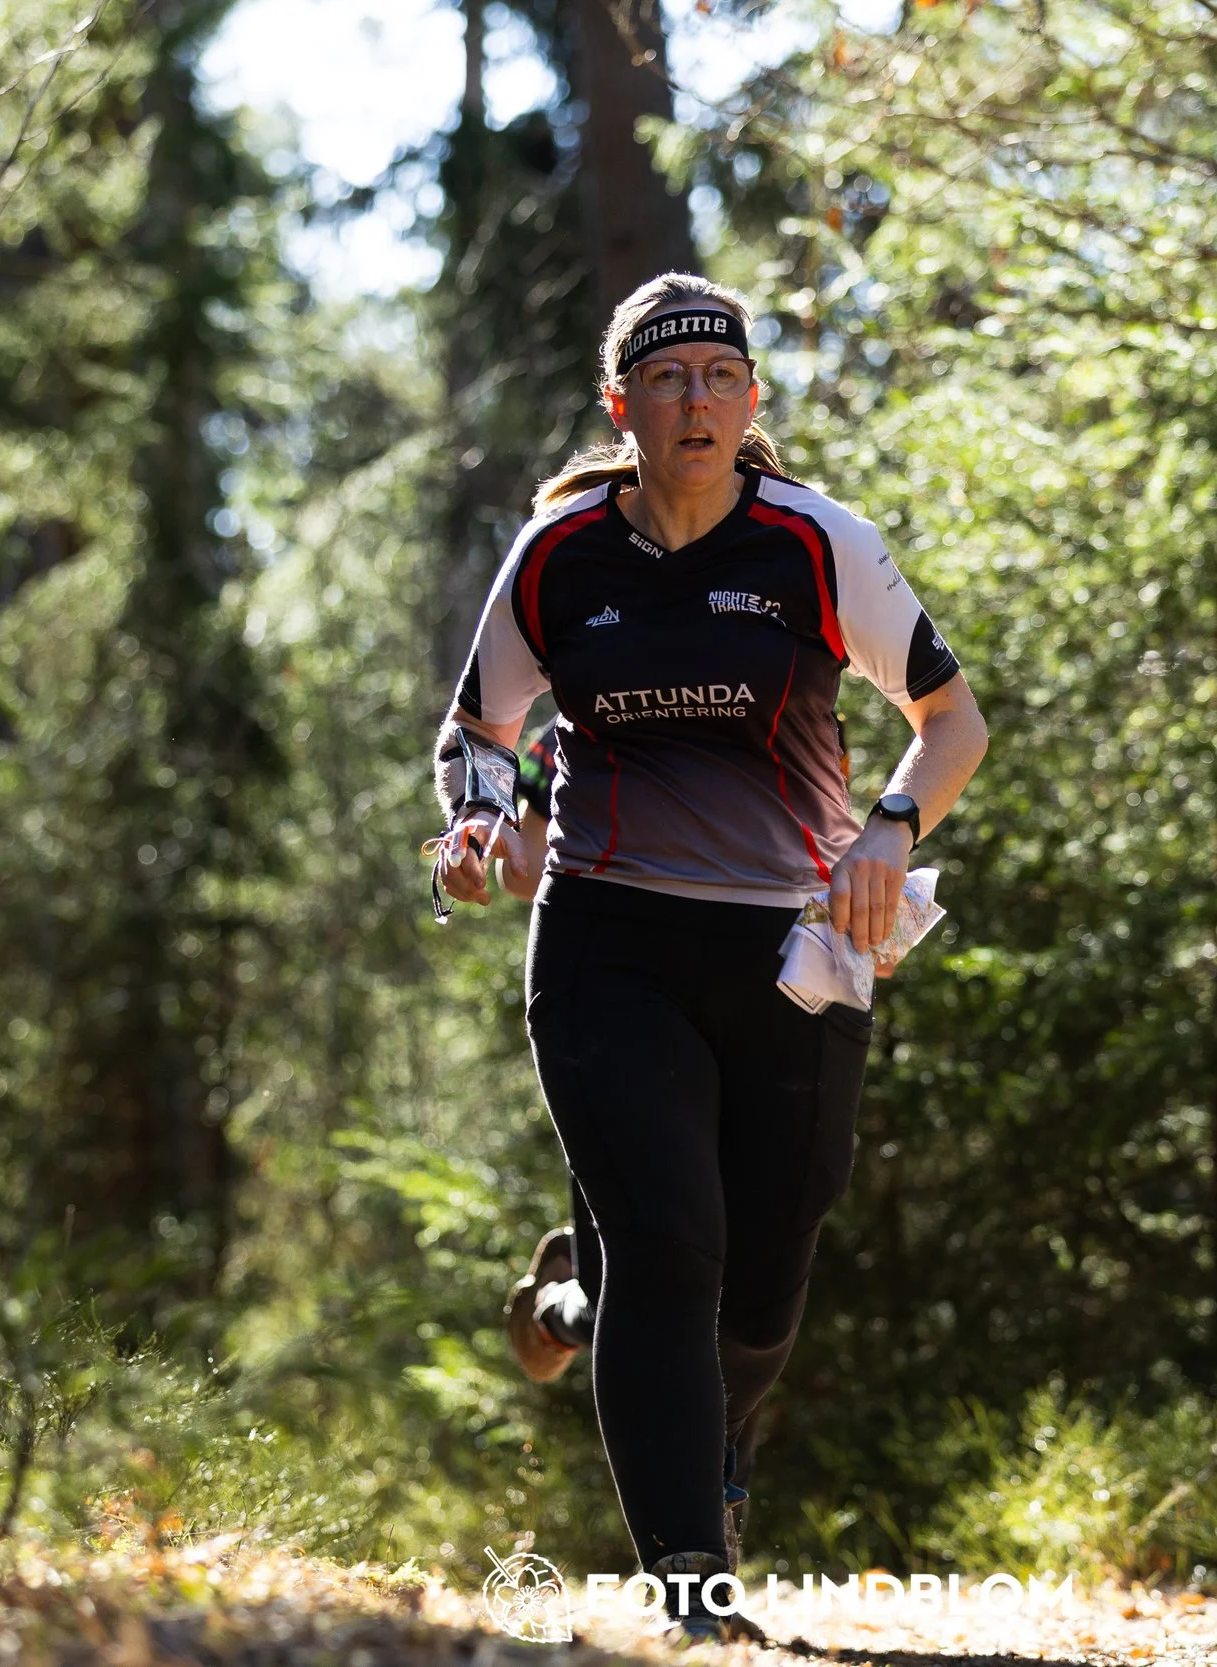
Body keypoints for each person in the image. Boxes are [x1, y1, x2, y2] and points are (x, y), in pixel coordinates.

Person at [427, 273, 988, 1643]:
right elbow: (476, 731)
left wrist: (889, 827)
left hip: (798, 947)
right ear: (621, 408)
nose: (694, 402)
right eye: (664, 382)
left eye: (717, 378)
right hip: (608, 940)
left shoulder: (812, 544)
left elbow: (949, 717)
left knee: (762, 1274)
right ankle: (693, 1584)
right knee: (673, 1247)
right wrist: (481, 821)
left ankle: (564, 1299)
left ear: (751, 401)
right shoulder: (560, 557)